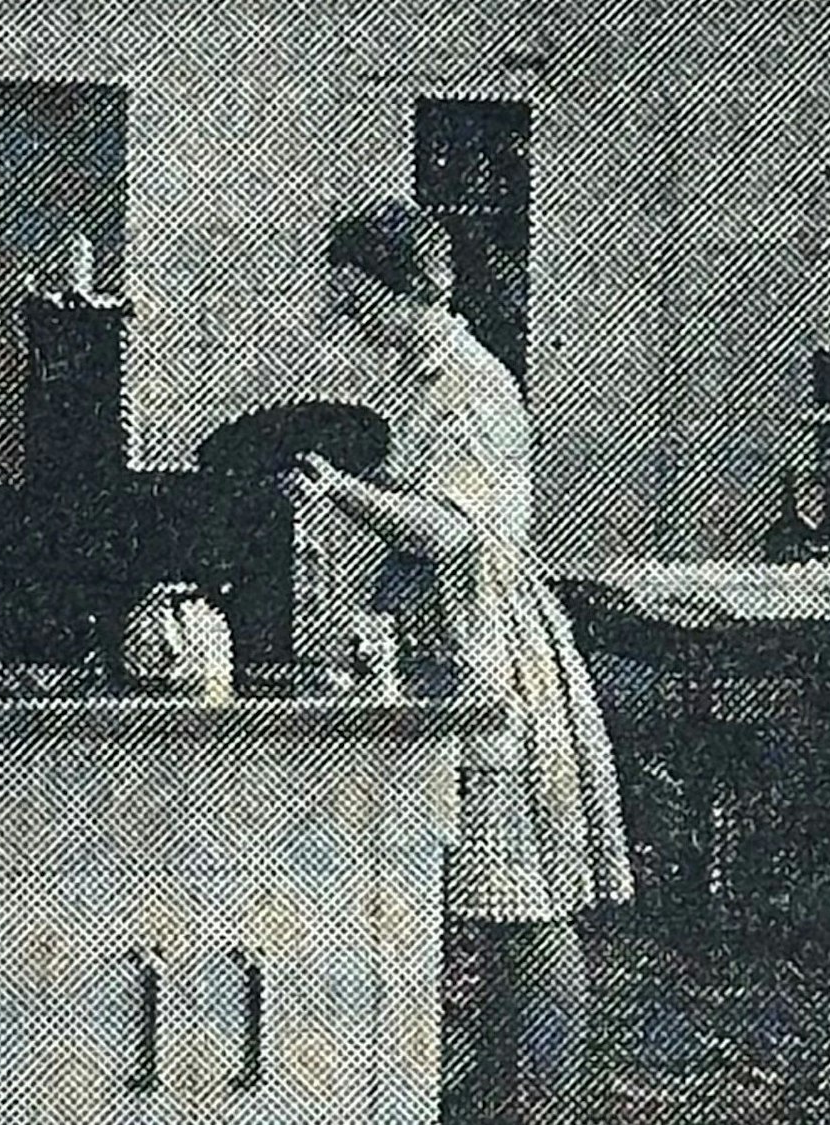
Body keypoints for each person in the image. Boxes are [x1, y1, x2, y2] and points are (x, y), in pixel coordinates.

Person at [279, 200, 633, 1125]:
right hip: (456, 645)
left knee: (528, 908)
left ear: (390, 288)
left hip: (494, 657)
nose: (344, 310)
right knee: (496, 903)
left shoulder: (468, 386)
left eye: (351, 293)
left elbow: (454, 529)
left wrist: (337, 491)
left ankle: (541, 1108)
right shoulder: (424, 379)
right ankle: (497, 1099)